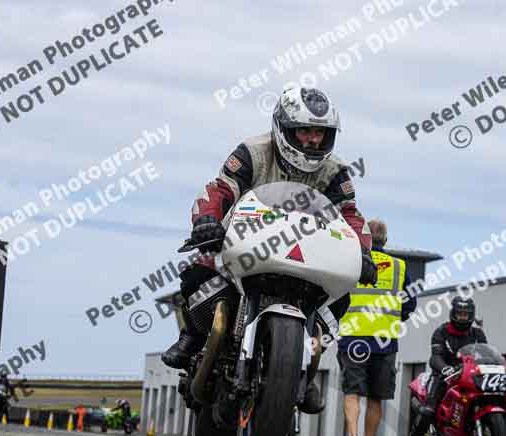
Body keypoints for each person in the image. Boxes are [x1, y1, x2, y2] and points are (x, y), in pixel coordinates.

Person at [161, 86, 376, 415]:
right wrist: (207, 219)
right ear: (283, 127)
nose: (312, 141)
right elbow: (220, 190)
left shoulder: (336, 171)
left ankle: (303, 369)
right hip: (248, 243)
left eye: (320, 133)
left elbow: (350, 214)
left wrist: (362, 252)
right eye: (304, 131)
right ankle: (191, 337)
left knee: (342, 295)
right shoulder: (252, 152)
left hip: (307, 251)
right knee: (198, 270)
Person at [337, 219, 416, 436]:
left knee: (352, 392)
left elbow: (336, 297)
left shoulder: (352, 262)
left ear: (364, 238)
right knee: (375, 397)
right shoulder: (399, 267)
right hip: (384, 341)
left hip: (353, 338)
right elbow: (410, 305)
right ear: (386, 239)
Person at [402, 296, 487, 436]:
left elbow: (485, 354)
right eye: (460, 314)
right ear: (453, 314)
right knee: (428, 410)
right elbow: (435, 357)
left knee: (484, 402)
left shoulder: (477, 334)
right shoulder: (441, 332)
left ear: (471, 315)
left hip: (470, 375)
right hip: (444, 375)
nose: (463, 317)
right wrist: (444, 368)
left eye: (466, 314)